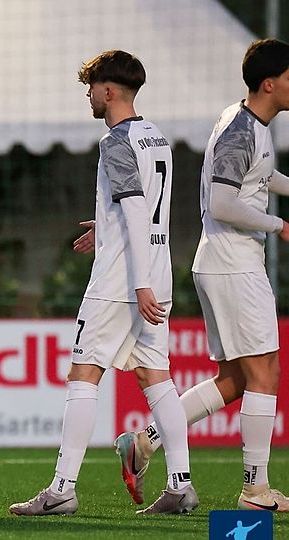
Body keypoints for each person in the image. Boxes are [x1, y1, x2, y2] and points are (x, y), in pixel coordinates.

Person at [9, 50, 196, 516]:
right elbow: (147, 210)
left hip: (123, 280)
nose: (89, 96)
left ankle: (62, 489)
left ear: (109, 91)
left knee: (83, 376)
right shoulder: (157, 138)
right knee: (158, 380)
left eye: (91, 88)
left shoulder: (115, 141)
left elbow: (135, 207)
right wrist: (105, 225)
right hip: (157, 268)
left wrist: (137, 284)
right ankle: (180, 485)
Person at [114, 39, 289, 512]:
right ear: (270, 84)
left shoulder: (247, 121)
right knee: (265, 372)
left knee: (234, 379)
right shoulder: (241, 130)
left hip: (225, 261)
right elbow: (224, 201)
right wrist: (279, 224)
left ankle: (145, 441)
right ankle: (255, 491)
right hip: (233, 262)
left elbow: (256, 176)